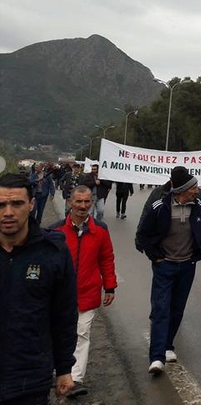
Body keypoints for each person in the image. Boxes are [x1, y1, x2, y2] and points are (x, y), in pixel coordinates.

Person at [0, 172, 78, 403]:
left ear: (31, 204)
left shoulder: (52, 253)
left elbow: (64, 315)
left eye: (16, 203)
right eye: (1, 204)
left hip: (30, 377)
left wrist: (64, 368)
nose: (8, 212)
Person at [135, 166, 201, 375]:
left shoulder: (198, 206)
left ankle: (167, 346)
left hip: (187, 266)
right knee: (160, 309)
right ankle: (156, 357)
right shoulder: (160, 207)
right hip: (164, 266)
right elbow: (143, 234)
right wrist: (155, 256)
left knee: (177, 309)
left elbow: (200, 229)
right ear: (182, 190)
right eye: (193, 187)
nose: (197, 190)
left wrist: (199, 250)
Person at [50, 185, 117, 398]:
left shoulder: (100, 230)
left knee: (81, 333)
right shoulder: (55, 231)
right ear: (70, 202)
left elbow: (106, 259)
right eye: (79, 201)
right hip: (59, 296)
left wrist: (110, 286)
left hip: (87, 292)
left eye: (87, 201)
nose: (83, 206)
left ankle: (75, 379)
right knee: (58, 334)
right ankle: (58, 371)